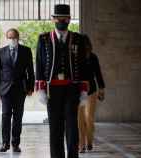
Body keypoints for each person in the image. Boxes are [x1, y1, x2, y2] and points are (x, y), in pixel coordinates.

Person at [35, 4, 90, 158]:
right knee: (55, 127)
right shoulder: (44, 39)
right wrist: (40, 89)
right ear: (53, 19)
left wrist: (84, 90)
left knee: (72, 126)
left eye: (64, 18)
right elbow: (39, 64)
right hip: (52, 89)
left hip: (72, 88)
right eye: (58, 18)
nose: (61, 20)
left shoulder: (78, 39)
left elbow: (83, 65)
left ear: (69, 19)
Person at [0, 28, 35, 152]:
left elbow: (30, 72)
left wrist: (30, 87)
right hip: (5, 90)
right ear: (7, 39)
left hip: (20, 89)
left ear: (18, 38)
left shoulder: (26, 51)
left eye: (14, 37)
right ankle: (5, 143)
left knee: (18, 117)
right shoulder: (1, 52)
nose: (12, 40)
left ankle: (15, 144)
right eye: (10, 38)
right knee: (6, 116)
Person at [78, 35, 105, 153]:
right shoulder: (74, 57)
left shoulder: (93, 57)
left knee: (89, 117)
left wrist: (101, 89)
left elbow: (98, 73)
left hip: (91, 91)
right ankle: (81, 144)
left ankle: (89, 141)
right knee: (79, 119)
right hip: (77, 91)